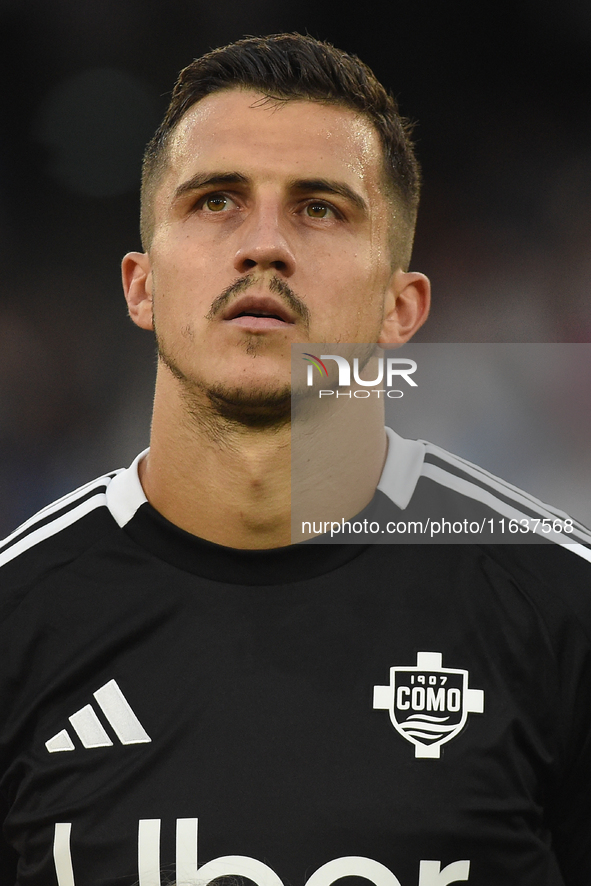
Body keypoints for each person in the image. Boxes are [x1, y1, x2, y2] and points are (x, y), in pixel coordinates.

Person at [1, 32, 590, 886]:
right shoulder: (21, 621)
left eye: (320, 207)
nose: (263, 245)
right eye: (214, 201)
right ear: (140, 285)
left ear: (401, 307)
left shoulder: (558, 613)